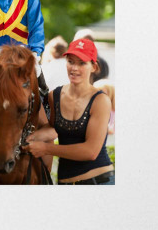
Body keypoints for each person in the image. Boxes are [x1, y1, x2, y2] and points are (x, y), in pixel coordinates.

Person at [24, 38, 114, 185]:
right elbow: (54, 128)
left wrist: (46, 148)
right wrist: (28, 138)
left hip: (99, 182)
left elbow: (91, 152)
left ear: (94, 67)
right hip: (65, 183)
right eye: (71, 61)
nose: (74, 68)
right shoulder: (54, 96)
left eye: (82, 63)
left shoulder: (100, 101)